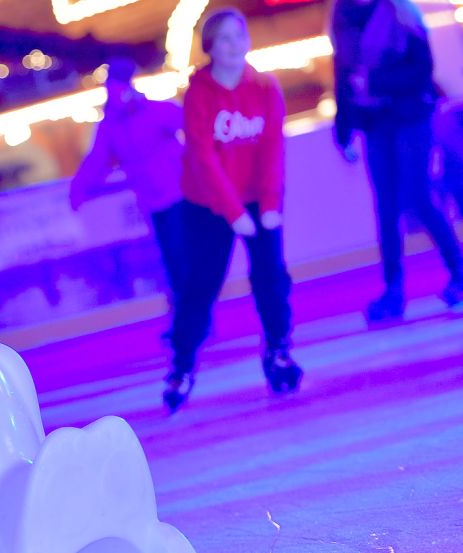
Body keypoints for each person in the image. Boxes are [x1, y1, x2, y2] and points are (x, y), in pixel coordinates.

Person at [164, 8, 302, 412]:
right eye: (223, 38)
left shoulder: (265, 87)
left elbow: (273, 149)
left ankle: (279, 352)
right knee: (201, 285)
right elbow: (203, 159)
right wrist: (232, 212)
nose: (233, 44)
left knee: (272, 278)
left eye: (238, 35)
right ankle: (182, 367)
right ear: (209, 47)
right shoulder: (198, 93)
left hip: (259, 199)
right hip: (208, 204)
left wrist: (271, 204)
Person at [331, 0, 463, 320]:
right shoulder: (341, 14)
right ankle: (393, 290)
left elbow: (422, 69)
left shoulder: (400, 10)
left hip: (411, 114)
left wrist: (374, 82)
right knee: (386, 206)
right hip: (375, 120)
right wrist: (343, 125)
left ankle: (459, 272)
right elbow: (343, 71)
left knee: (418, 197)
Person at [69, 56, 187, 314]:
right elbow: (98, 161)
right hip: (157, 202)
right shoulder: (115, 125)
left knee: (182, 257)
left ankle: (189, 312)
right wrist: (79, 188)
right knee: (174, 259)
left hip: (180, 196)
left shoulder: (150, 112)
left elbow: (189, 123)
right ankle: (186, 314)